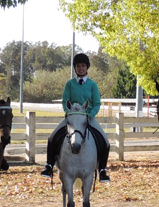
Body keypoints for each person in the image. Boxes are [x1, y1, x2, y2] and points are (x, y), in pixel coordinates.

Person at [40, 53, 111, 182]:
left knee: (105, 141)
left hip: (88, 117)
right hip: (72, 119)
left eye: (83, 66)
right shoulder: (69, 84)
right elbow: (64, 101)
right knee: (52, 137)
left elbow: (96, 104)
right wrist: (69, 114)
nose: (81, 68)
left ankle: (102, 170)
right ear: (75, 68)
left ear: (87, 67)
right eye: (78, 66)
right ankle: (49, 166)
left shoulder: (92, 85)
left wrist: (90, 115)